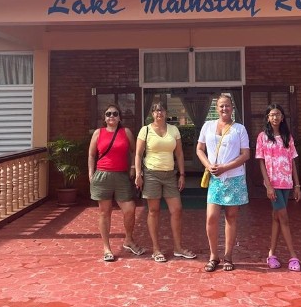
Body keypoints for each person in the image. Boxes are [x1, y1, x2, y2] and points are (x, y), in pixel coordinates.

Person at [196, 93, 250, 272]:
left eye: (227, 105)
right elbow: (200, 149)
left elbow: (245, 154)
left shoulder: (239, 129)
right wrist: (208, 165)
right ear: (216, 108)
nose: (224, 109)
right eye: (221, 106)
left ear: (232, 108)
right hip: (215, 178)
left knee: (231, 217)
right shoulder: (208, 126)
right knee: (211, 217)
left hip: (234, 177)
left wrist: (225, 167)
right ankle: (213, 255)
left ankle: (228, 256)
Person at [135, 102, 196, 262]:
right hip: (151, 174)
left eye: (161, 110)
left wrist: (182, 174)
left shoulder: (174, 130)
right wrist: (138, 174)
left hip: (170, 175)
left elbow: (180, 153)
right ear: (152, 114)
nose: (158, 113)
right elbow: (138, 154)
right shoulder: (145, 130)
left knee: (177, 210)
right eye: (155, 111)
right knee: (153, 211)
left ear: (166, 112)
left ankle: (178, 247)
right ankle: (156, 249)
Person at [87, 104, 145, 262]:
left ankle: (128, 239)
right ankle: (107, 248)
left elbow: (135, 151)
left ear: (119, 117)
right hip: (102, 176)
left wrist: (133, 167)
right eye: (108, 114)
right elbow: (91, 155)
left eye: (115, 114)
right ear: (104, 117)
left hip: (121, 176)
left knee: (130, 209)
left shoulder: (125, 132)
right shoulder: (99, 133)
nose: (111, 116)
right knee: (105, 212)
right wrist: (91, 174)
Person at [256, 103, 301, 271]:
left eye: (278, 114)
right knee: (284, 218)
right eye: (272, 115)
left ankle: (271, 254)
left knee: (276, 218)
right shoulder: (262, 137)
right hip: (273, 185)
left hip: (287, 183)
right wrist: (268, 186)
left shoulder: (287, 137)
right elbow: (261, 162)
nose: (275, 117)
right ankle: (293, 256)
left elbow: (292, 162)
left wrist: (297, 185)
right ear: (268, 118)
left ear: (282, 117)